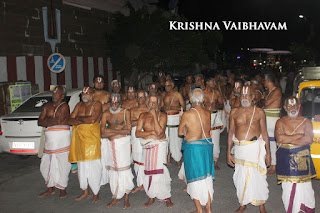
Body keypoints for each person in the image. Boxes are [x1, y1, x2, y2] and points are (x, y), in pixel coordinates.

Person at [227, 86, 271, 213]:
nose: (244, 98)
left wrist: (268, 153)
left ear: (252, 97)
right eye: (242, 95)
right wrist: (228, 152)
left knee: (259, 177)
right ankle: (243, 203)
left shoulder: (259, 112)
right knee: (240, 177)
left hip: (254, 148)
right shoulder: (234, 112)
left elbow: (264, 132)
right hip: (240, 149)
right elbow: (231, 132)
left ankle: (261, 205)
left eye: (247, 95)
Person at [275, 97, 316, 213]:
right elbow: (280, 138)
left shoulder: (306, 122)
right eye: (289, 106)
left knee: (306, 189)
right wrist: (299, 136)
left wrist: (288, 139)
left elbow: (308, 139)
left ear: (299, 106)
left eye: (294, 106)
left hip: (303, 160)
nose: (292, 108)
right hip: (286, 161)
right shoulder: (280, 122)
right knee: (288, 189)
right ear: (285, 108)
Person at [178, 88, 214, 213]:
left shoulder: (187, 114)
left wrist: (187, 130)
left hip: (193, 149)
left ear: (191, 99)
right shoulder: (208, 113)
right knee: (206, 178)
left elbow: (180, 132)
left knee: (194, 178)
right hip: (207, 147)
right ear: (203, 99)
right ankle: (208, 208)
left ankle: (199, 210)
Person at [136, 95, 174, 208]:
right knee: (148, 171)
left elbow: (160, 133)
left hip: (160, 146)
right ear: (148, 103)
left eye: (155, 102)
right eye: (151, 102)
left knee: (161, 171)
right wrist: (151, 135)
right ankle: (151, 196)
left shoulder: (162, 115)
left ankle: (166, 196)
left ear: (158, 103)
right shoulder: (142, 116)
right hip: (148, 146)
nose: (153, 104)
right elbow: (137, 133)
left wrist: (153, 115)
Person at [68, 87, 103, 203]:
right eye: (83, 93)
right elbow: (69, 120)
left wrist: (78, 119)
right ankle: (85, 191)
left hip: (92, 140)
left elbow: (93, 119)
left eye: (88, 93)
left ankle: (96, 193)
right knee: (82, 167)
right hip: (80, 140)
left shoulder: (97, 104)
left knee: (94, 167)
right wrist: (83, 120)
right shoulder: (79, 105)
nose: (85, 95)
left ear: (93, 95)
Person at [100, 93, 134, 209]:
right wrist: (120, 130)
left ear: (120, 102)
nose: (114, 105)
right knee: (113, 171)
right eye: (112, 102)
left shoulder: (125, 112)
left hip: (122, 145)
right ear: (109, 102)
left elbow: (128, 131)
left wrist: (111, 131)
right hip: (110, 146)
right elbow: (102, 133)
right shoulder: (106, 114)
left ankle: (126, 198)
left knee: (124, 170)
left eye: (116, 102)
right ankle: (115, 197)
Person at [38, 86, 71, 199]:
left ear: (62, 96)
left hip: (62, 139)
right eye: (54, 92)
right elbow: (39, 121)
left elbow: (59, 121)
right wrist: (49, 122)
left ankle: (62, 188)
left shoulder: (65, 106)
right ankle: (50, 188)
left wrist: (47, 121)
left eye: (57, 92)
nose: (54, 94)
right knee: (45, 165)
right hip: (50, 140)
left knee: (63, 164)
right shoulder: (47, 106)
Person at [163, 79, 186, 167]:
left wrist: (175, 108)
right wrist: (164, 108)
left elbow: (183, 106)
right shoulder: (164, 95)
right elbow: (161, 106)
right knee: (166, 138)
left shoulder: (177, 94)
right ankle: (167, 156)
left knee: (176, 139)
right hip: (166, 118)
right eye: (165, 86)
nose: (167, 87)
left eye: (168, 85)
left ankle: (177, 158)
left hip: (175, 118)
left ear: (172, 85)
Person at [263, 73, 282, 176]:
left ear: (268, 80)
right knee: (266, 141)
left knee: (273, 142)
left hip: (273, 119)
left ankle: (274, 165)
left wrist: (263, 100)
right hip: (266, 118)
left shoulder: (277, 91)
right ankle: (269, 163)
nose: (263, 82)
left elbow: (266, 103)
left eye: (264, 80)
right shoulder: (268, 91)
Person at [203, 77, 223, 170]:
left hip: (215, 117)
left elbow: (221, 105)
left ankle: (215, 162)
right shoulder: (201, 93)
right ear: (207, 82)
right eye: (212, 80)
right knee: (204, 140)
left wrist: (216, 105)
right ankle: (205, 161)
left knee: (215, 141)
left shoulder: (217, 93)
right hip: (205, 117)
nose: (214, 82)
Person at [130, 91, 149, 193]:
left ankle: (148, 182)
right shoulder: (132, 110)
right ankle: (140, 183)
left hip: (146, 134)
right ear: (136, 99)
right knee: (137, 158)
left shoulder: (149, 109)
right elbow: (130, 123)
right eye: (139, 97)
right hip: (135, 135)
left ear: (146, 98)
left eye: (143, 97)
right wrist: (142, 120)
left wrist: (137, 121)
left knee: (147, 158)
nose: (141, 99)